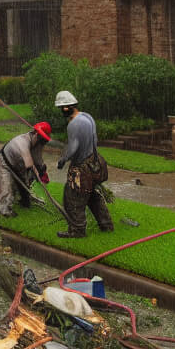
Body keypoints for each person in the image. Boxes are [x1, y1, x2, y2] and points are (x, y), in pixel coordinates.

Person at [54, 90, 114, 238]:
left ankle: (77, 230)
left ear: (66, 107)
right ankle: (106, 225)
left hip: (81, 168)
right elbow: (94, 140)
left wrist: (62, 160)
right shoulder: (88, 117)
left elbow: (73, 148)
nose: (61, 111)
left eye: (61, 108)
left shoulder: (73, 124)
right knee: (92, 195)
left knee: (72, 198)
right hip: (94, 163)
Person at [0, 122, 52, 218]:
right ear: (36, 135)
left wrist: (42, 171)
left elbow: (37, 159)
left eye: (45, 141)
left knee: (24, 183)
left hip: (19, 164)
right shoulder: (22, 143)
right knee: (6, 188)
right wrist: (27, 181)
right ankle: (5, 211)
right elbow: (29, 165)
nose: (43, 144)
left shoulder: (37, 142)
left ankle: (22, 199)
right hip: (4, 162)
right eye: (42, 140)